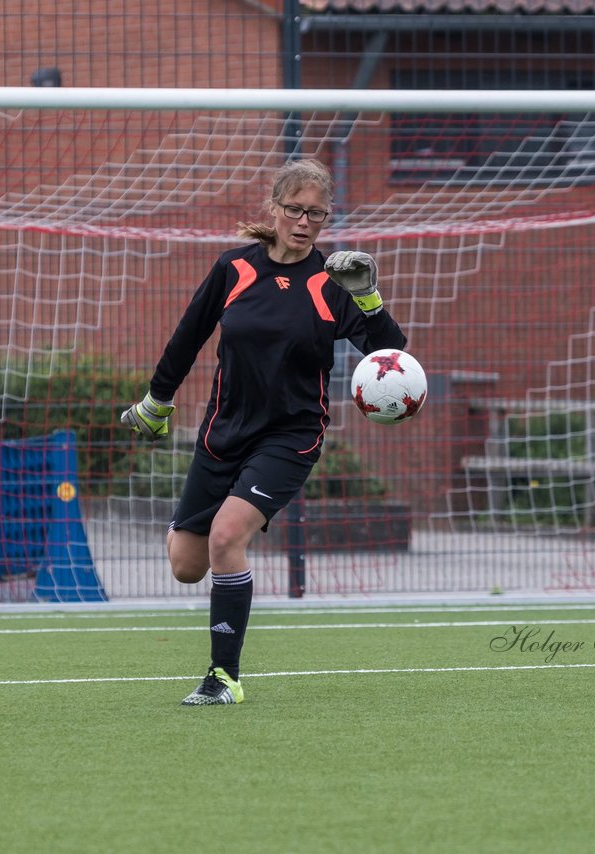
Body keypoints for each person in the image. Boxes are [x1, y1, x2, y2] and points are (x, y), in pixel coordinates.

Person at [121, 158, 407, 705]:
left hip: (291, 436)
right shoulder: (234, 268)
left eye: (316, 214)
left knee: (229, 537)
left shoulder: (333, 281)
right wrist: (157, 403)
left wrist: (368, 296)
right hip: (221, 432)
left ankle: (222, 678)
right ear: (273, 208)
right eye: (295, 210)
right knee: (186, 567)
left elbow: (391, 355)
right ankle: (195, 523)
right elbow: (187, 339)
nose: (304, 222)